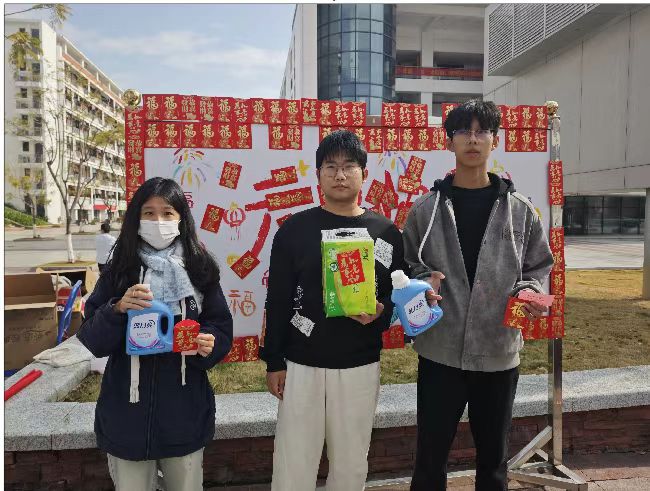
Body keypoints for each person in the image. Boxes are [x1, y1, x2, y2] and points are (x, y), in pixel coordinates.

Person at [403, 100, 554, 490]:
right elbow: (407, 266)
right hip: (440, 351)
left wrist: (530, 291)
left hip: (498, 349)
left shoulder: (521, 211)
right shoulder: (425, 211)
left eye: (482, 131)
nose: (473, 139)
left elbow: (539, 266)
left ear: (495, 141)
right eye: (463, 131)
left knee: (494, 460)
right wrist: (423, 281)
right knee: (429, 458)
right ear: (448, 142)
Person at [261, 130, 407, 491]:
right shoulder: (295, 230)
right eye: (331, 167)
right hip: (301, 363)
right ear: (318, 175)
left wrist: (382, 311)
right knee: (294, 459)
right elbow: (277, 299)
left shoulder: (385, 231)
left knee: (351, 461)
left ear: (364, 173)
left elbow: (397, 294)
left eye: (349, 166)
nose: (340, 175)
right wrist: (274, 361)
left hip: (360, 363)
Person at [77, 177, 233, 490]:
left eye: (167, 213)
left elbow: (220, 327)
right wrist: (117, 309)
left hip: (184, 414)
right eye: (149, 213)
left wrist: (208, 343)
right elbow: (92, 338)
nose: (158, 221)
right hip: (126, 416)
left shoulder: (199, 267)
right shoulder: (119, 269)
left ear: (181, 219)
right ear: (136, 218)